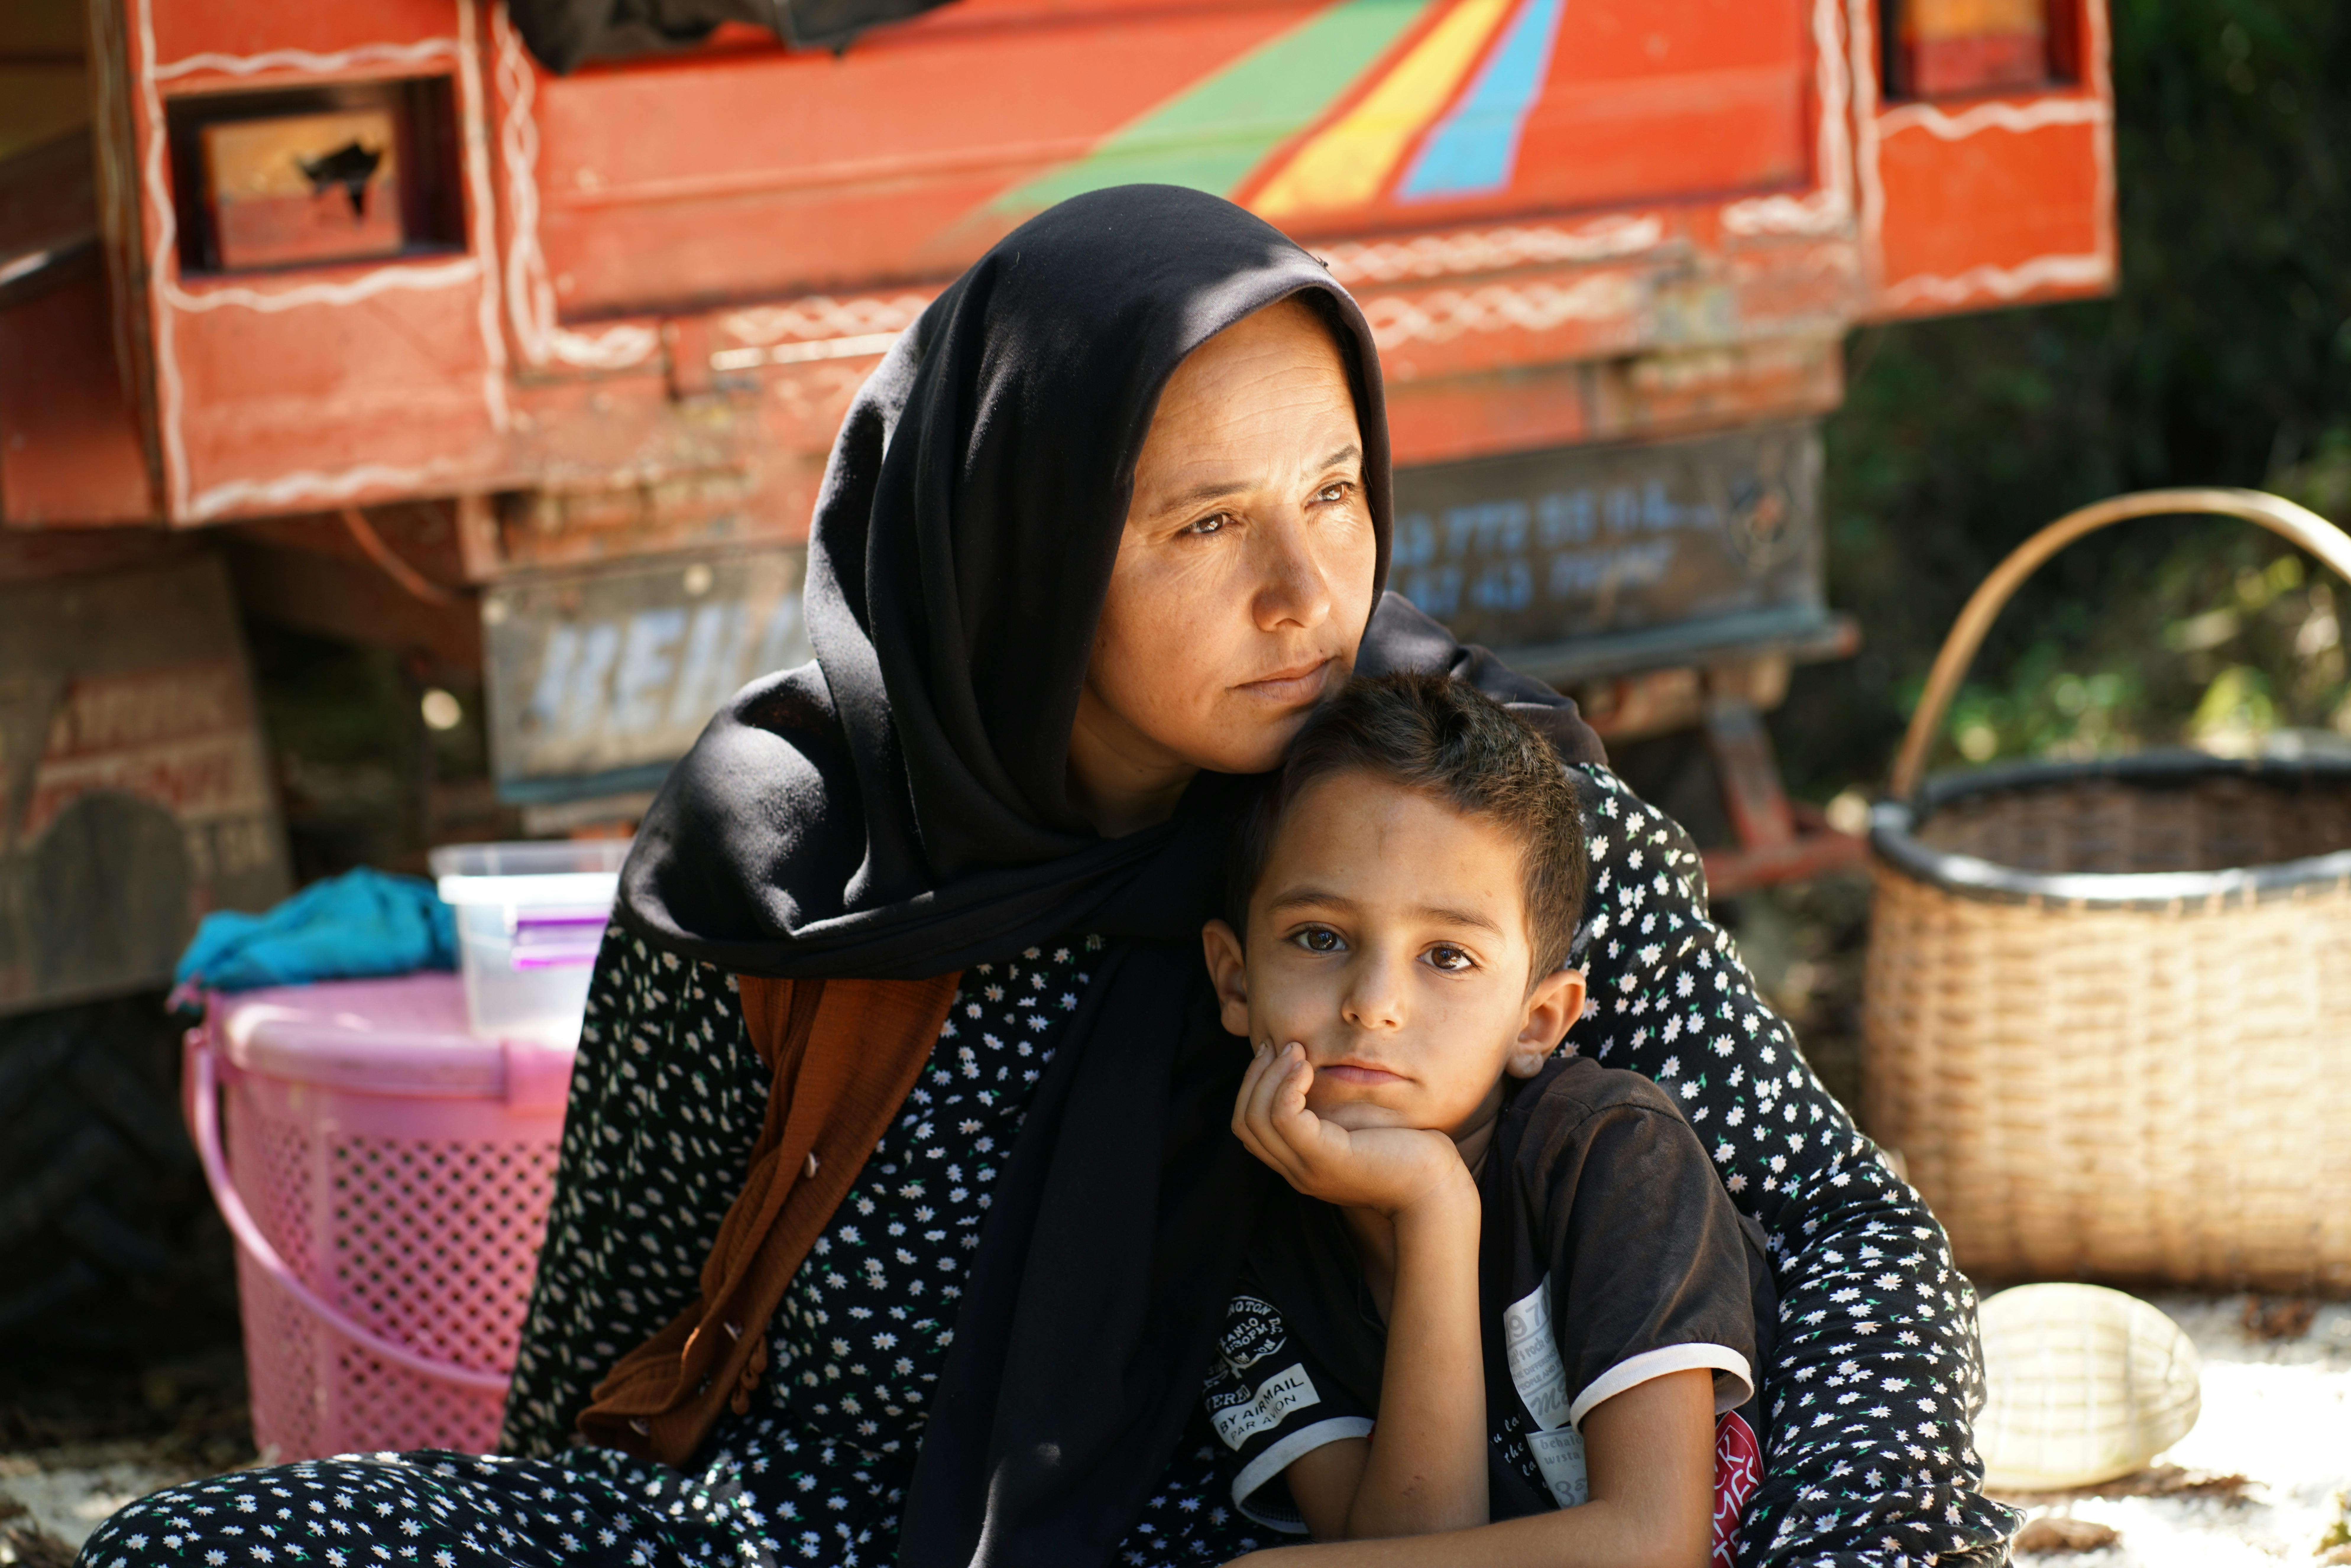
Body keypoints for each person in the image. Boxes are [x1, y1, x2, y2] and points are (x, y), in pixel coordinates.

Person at [79, 185, 2013, 1568]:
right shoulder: (788, 866)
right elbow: (602, 1362)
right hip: (811, 1544)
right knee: (206, 1547)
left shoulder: (1455, 820)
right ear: (1021, 547)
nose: (1306, 592)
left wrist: (1826, 1549)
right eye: (1201, 524)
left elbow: (1848, 1240)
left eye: (1335, 492)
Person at [1197, 673, 1771, 1568]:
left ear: (1538, 1022)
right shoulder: (1257, 1247)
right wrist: (1433, 1213)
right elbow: (1408, 1548)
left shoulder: (1612, 1154)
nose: (1374, 1004)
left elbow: (1656, 1545)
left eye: (1447, 957)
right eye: (1320, 937)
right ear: (1236, 980)